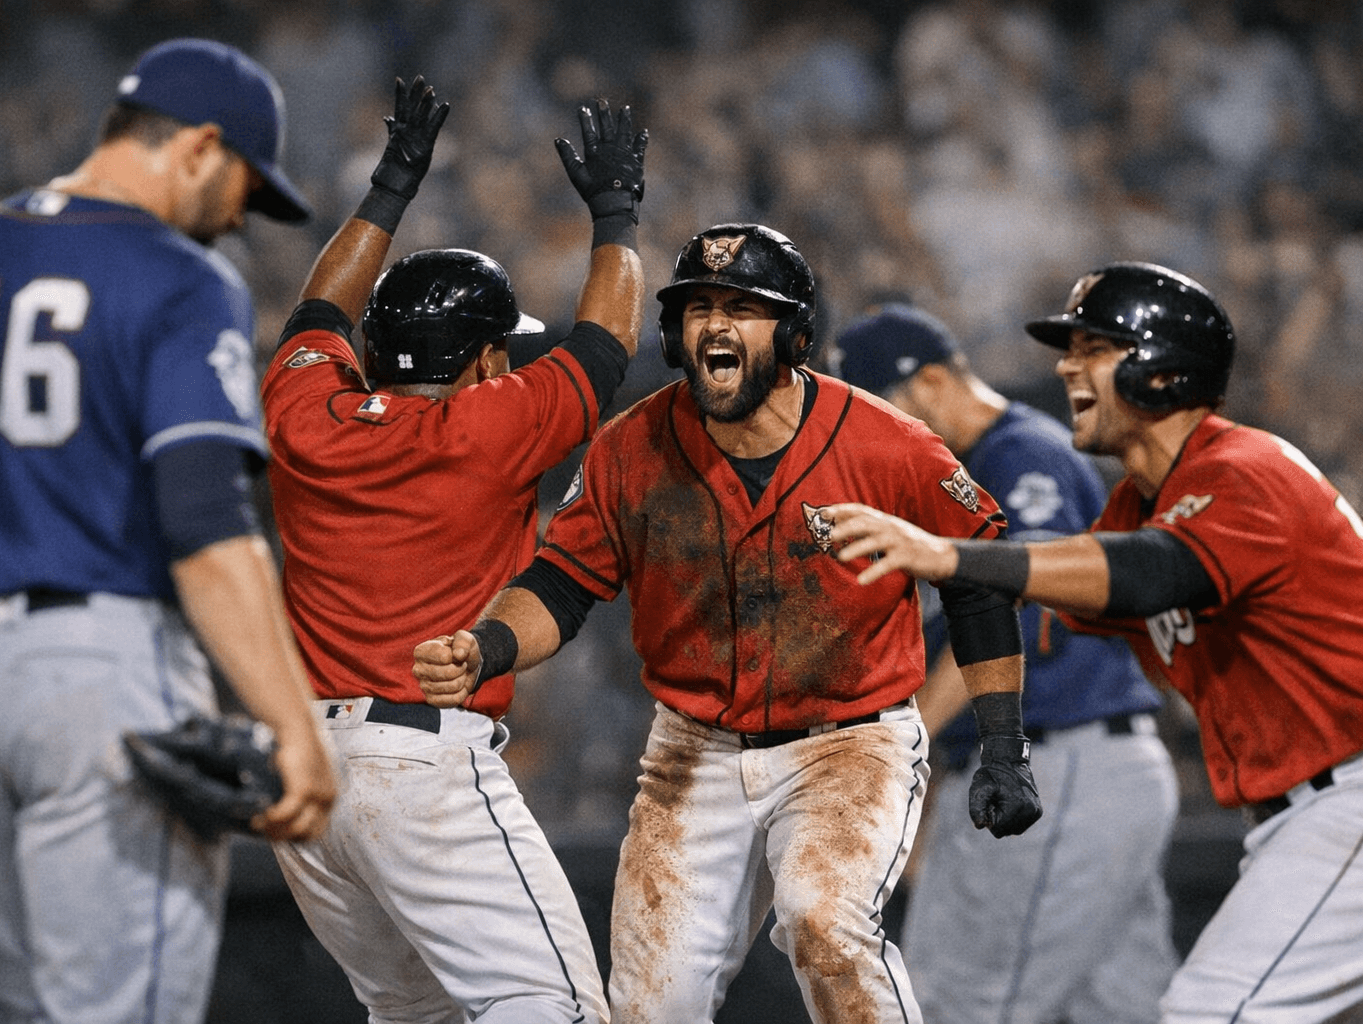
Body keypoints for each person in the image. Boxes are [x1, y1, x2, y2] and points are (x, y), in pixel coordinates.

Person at [415, 223, 1043, 1024]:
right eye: (698, 307)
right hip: (694, 751)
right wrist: (490, 644)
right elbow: (562, 583)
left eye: (744, 307)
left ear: (794, 334)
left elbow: (981, 578)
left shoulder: (886, 442)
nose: (716, 324)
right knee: (651, 1007)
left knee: (824, 924)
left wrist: (1001, 742)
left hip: (848, 743)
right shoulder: (630, 446)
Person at [0, 37, 335, 1024]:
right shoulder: (179, 279)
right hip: (102, 680)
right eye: (242, 184)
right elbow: (205, 528)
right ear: (195, 147)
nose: (239, 217)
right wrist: (295, 724)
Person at [828, 261, 1363, 1024]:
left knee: (1212, 1012)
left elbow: (1151, 574)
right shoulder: (1136, 503)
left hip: (1345, 801)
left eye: (1095, 349)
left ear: (1161, 369)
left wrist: (950, 554)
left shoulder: (1246, 468)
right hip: (1300, 812)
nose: (1066, 367)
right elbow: (1056, 594)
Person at [259, 76, 648, 1024]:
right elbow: (608, 340)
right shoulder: (485, 427)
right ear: (481, 364)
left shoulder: (302, 415)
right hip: (419, 765)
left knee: (415, 1018)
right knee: (552, 1008)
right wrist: (616, 216)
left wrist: (391, 185)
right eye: (500, 352)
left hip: (307, 779)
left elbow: (317, 313)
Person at [836, 302, 1180, 1024]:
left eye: (878, 411)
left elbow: (1010, 599)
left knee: (955, 1005)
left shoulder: (1021, 453)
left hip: (1062, 768)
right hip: (1079, 773)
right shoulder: (951, 483)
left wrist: (901, 749)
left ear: (930, 382)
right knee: (1127, 1009)